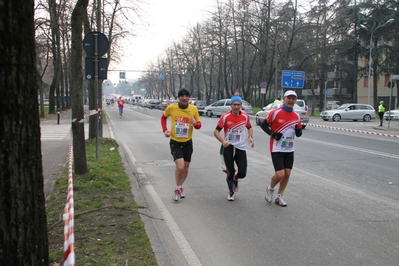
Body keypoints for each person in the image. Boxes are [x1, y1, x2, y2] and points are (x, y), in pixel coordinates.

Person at [260, 90, 303, 207]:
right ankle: (270, 188)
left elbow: (298, 130)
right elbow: (263, 125)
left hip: (289, 148)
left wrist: (299, 131)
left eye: (293, 98)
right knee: (280, 174)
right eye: (289, 98)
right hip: (277, 148)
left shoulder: (296, 115)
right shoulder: (275, 112)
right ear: (283, 99)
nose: (291, 100)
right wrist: (273, 134)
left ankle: (280, 196)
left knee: (287, 173)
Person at [161, 88, 202, 202]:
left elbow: (198, 125)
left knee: (186, 168)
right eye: (182, 96)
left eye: (186, 96)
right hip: (175, 142)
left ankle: (180, 186)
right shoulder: (172, 108)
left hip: (188, 142)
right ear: (178, 97)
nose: (184, 98)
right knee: (180, 166)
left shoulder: (193, 109)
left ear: (189, 98)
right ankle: (177, 189)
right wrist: (165, 130)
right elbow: (163, 117)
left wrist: (195, 123)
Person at [214, 95, 254, 201]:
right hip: (229, 147)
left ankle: (236, 179)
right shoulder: (225, 117)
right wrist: (223, 141)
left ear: (241, 105)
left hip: (241, 147)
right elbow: (216, 131)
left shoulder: (245, 116)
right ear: (231, 105)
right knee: (230, 172)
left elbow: (249, 127)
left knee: (242, 173)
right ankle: (231, 192)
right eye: (234, 105)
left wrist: (250, 137)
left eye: (238, 105)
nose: (236, 107)